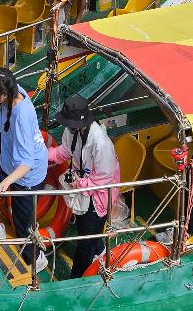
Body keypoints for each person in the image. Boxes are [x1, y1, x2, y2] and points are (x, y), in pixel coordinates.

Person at [0, 68, 49, 271]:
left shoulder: (22, 116)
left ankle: (36, 260)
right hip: (9, 159)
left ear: (3, 96)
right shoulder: (13, 90)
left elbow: (26, 163)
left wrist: (5, 183)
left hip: (26, 174)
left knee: (24, 227)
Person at [48, 94, 122, 278]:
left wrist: (78, 183)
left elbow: (103, 179)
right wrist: (44, 154)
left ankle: (77, 278)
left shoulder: (101, 143)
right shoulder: (72, 130)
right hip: (84, 188)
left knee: (85, 242)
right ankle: (100, 250)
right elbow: (64, 152)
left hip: (98, 195)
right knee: (86, 229)